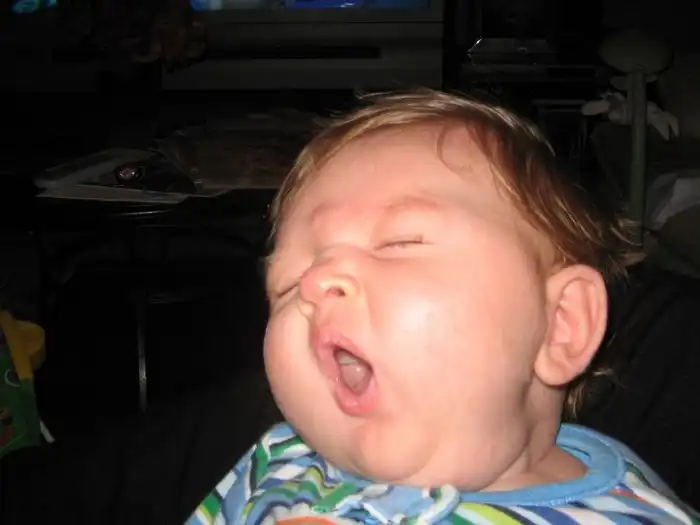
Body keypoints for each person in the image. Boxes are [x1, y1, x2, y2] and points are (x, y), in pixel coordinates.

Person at [187, 89, 695, 525]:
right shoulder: (275, 463)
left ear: (561, 324)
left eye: (399, 242)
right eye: (287, 283)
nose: (317, 282)